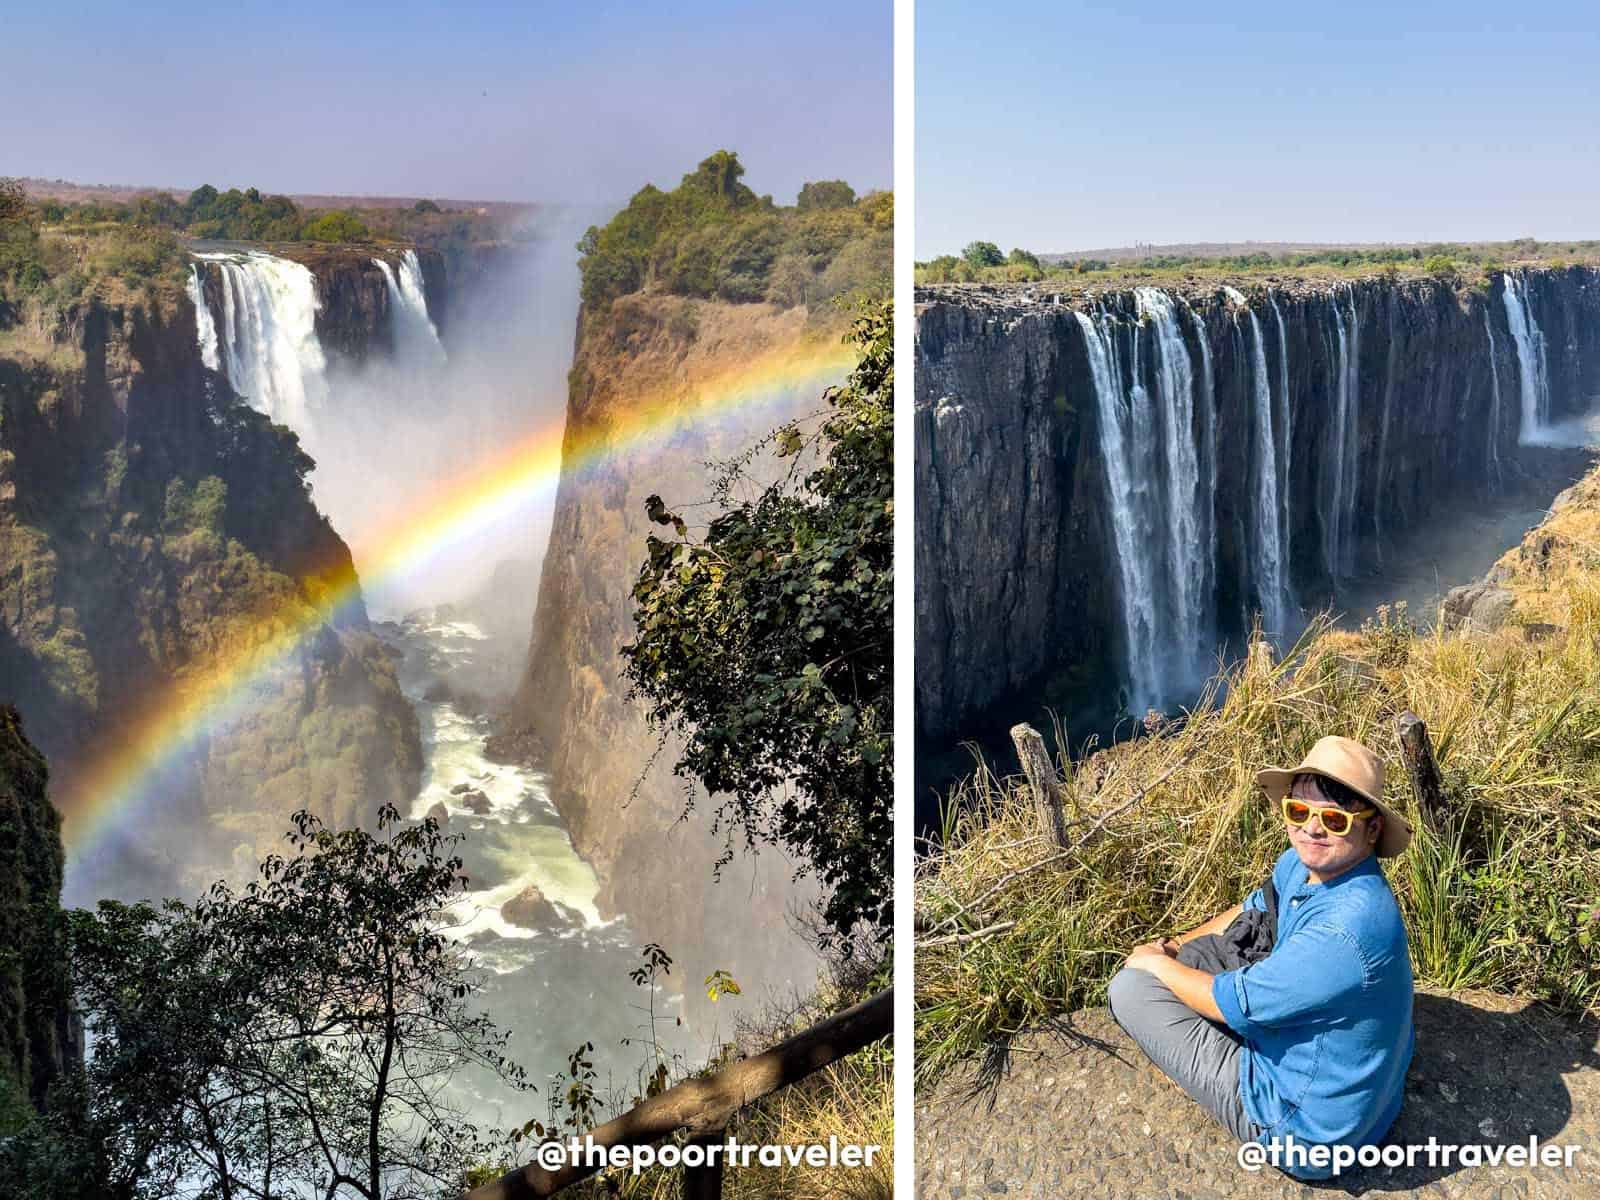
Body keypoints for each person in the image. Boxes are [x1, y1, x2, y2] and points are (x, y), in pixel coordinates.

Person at [1106, 736, 1415, 1180]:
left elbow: (1231, 1002)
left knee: (1130, 989)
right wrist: (1173, 946)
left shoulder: (1344, 930)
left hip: (1309, 1133)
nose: (1312, 828)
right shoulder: (1308, 865)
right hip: (1363, 1096)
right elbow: (1256, 905)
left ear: (1372, 829)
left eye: (1334, 818)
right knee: (1193, 955)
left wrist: (1153, 964)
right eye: (1298, 811)